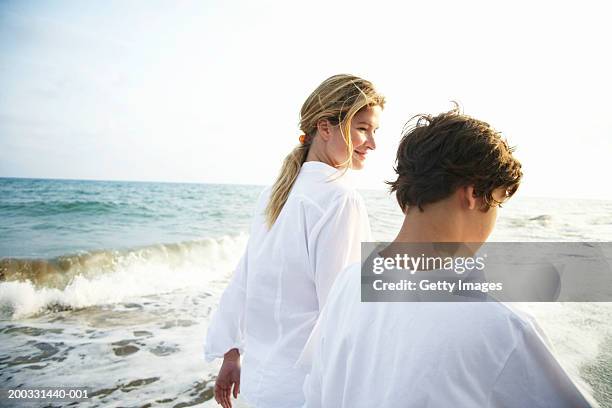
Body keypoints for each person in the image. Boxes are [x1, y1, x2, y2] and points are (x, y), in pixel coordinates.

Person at [301, 107, 595, 407]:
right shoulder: (500, 326)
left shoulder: (349, 283)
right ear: (472, 195)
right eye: (498, 204)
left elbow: (315, 395)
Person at [204, 74, 385, 408]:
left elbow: (244, 278)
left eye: (375, 131)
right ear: (325, 127)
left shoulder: (274, 193)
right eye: (363, 128)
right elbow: (343, 314)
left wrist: (231, 353)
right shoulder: (339, 199)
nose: (372, 143)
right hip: (304, 392)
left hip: (259, 386)